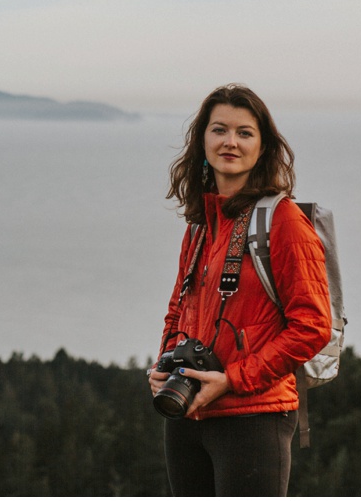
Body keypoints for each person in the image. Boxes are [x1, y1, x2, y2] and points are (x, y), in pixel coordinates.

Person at [147, 84, 331, 496]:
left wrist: (232, 380)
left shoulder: (283, 222)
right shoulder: (199, 224)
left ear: (263, 147)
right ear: (202, 140)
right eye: (219, 130)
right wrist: (164, 365)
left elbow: (313, 326)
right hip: (187, 415)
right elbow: (178, 309)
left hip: (254, 417)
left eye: (245, 132)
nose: (230, 141)